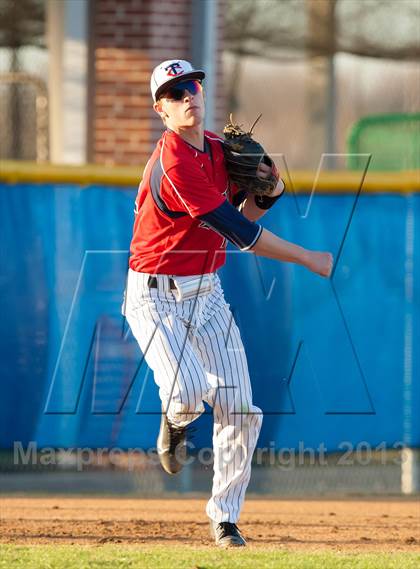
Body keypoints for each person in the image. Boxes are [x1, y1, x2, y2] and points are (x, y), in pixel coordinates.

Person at [123, 59, 333, 548]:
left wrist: (272, 189)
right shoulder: (173, 163)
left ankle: (225, 518)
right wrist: (306, 257)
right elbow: (241, 232)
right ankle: (174, 421)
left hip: (207, 292)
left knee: (240, 408)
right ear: (161, 110)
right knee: (189, 393)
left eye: (192, 86)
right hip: (155, 297)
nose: (187, 96)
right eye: (174, 94)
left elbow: (249, 208)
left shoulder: (220, 149)